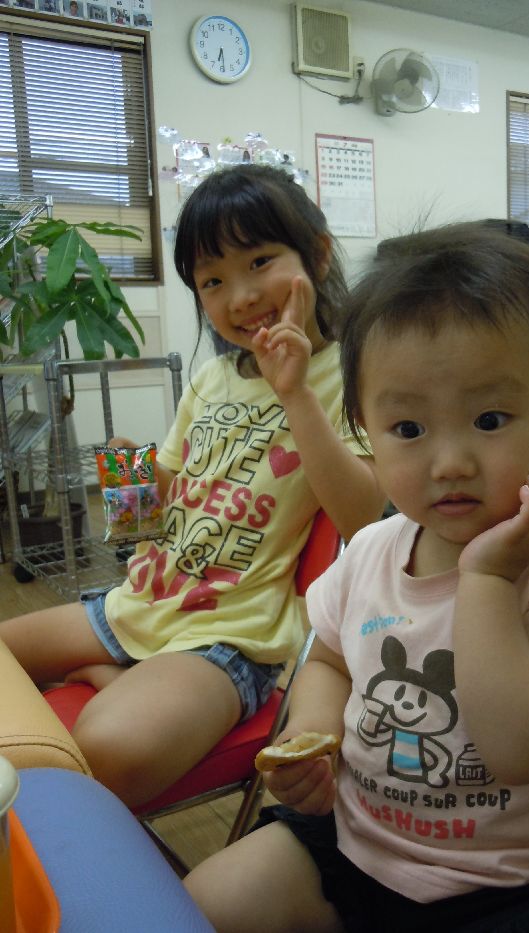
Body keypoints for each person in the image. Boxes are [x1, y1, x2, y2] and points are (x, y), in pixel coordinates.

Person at [184, 223, 529, 933]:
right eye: (408, 429)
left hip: (526, 883)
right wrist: (313, 732)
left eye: (489, 418)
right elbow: (328, 659)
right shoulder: (371, 550)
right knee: (200, 903)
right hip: (357, 849)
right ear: (365, 427)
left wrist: (489, 579)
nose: (449, 463)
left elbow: (520, 751)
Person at [0, 164, 384, 808]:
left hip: (228, 633)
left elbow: (363, 518)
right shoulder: (212, 380)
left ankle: (113, 679)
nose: (241, 296)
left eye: (259, 261)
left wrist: (294, 393)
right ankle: (117, 668)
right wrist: (134, 474)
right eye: (212, 281)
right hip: (140, 601)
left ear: (317, 255)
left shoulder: (353, 375)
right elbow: (158, 509)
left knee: (109, 751)